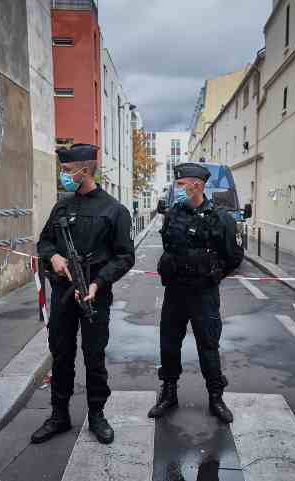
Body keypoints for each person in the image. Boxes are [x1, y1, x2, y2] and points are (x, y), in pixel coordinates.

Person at [32, 143, 134, 445]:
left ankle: (97, 415)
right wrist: (54, 258)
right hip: (63, 292)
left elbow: (125, 256)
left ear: (85, 170)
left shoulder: (115, 210)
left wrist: (98, 282)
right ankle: (59, 415)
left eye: (67, 171)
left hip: (94, 294)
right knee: (61, 354)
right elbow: (44, 242)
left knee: (94, 356)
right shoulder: (62, 206)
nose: (64, 176)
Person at [147, 163, 244, 422]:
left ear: (197, 186)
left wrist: (214, 274)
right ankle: (168, 393)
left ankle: (216, 397)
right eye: (177, 184)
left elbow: (234, 257)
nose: (177, 189)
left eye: (181, 185)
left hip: (204, 293)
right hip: (176, 291)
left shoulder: (220, 217)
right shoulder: (173, 214)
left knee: (208, 345)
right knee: (168, 343)